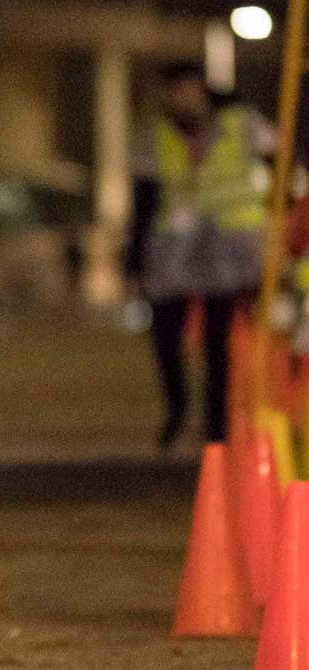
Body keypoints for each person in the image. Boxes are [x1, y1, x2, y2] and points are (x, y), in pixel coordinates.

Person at [126, 61, 273, 449]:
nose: (183, 99)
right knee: (165, 339)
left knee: (217, 344)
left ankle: (216, 429)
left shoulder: (240, 123)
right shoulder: (154, 136)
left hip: (226, 251)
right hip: (172, 254)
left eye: (190, 90)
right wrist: (133, 261)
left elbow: (280, 155)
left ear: (204, 92)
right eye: (175, 92)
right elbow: (142, 203)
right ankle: (176, 412)